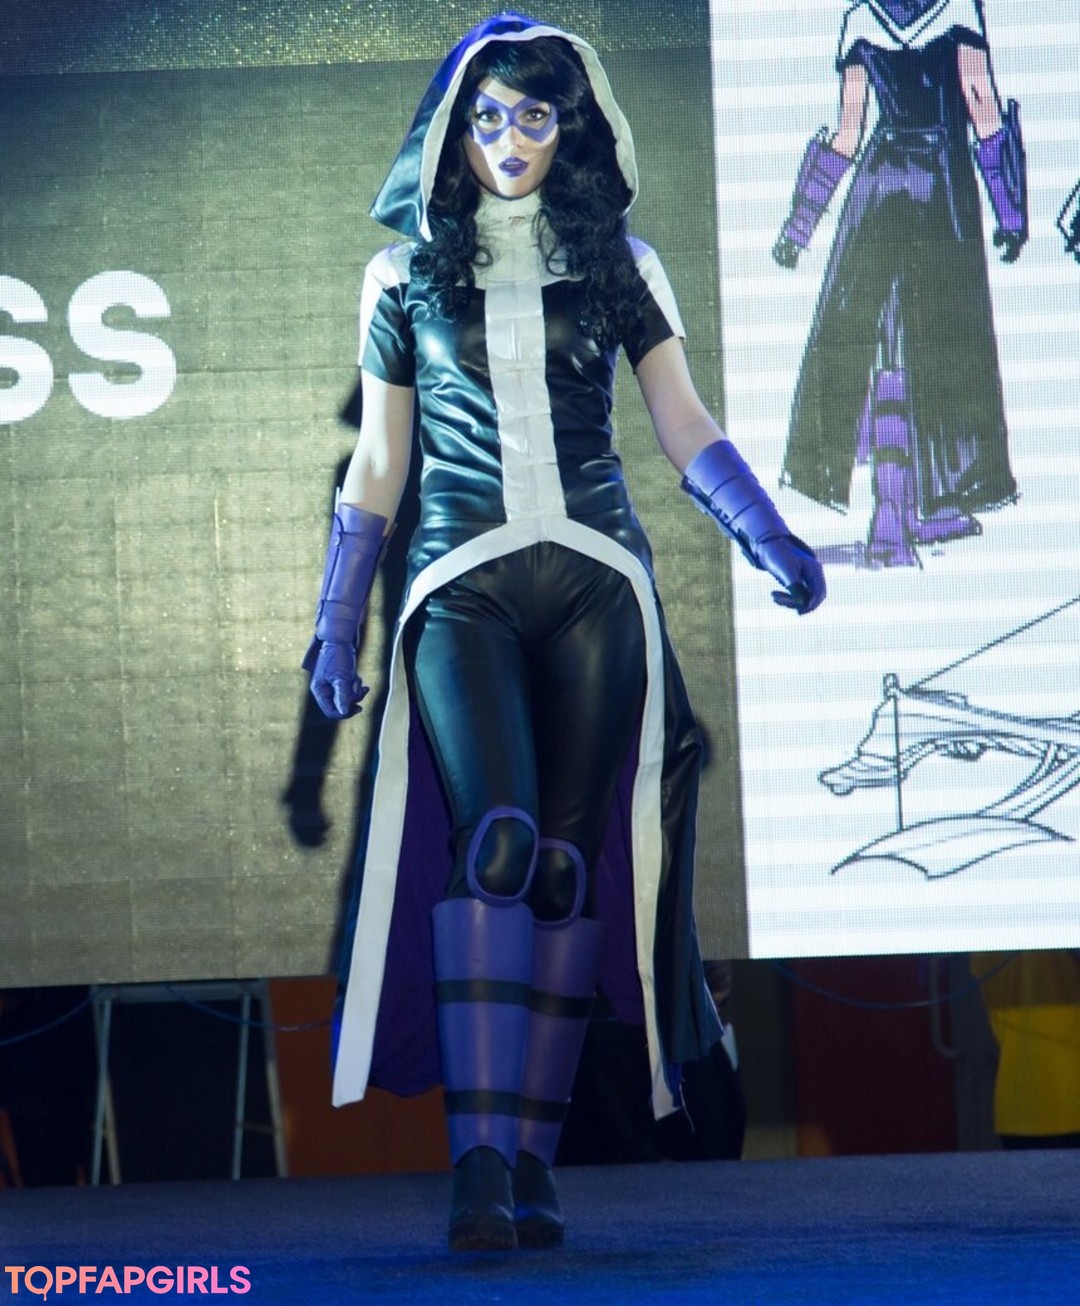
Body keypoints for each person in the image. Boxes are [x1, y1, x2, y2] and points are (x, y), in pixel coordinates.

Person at [303, 12, 825, 1252]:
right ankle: (480, 1162)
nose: (509, 139)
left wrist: (767, 533)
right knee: (495, 841)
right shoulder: (400, 275)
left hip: (599, 581)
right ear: (453, 132)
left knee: (560, 870)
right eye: (487, 118)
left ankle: (530, 1163)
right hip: (460, 582)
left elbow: (683, 418)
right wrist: (336, 623)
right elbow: (379, 460)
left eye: (533, 116)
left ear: (567, 127)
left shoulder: (621, 261)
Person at [774, 0, 1027, 568]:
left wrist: (798, 228)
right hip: (940, 189)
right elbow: (981, 104)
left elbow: (848, 132)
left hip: (880, 187)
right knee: (936, 346)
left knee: (884, 345)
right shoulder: (959, 11)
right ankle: (910, 512)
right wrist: (1010, 211)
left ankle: (897, 513)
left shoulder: (861, 19)